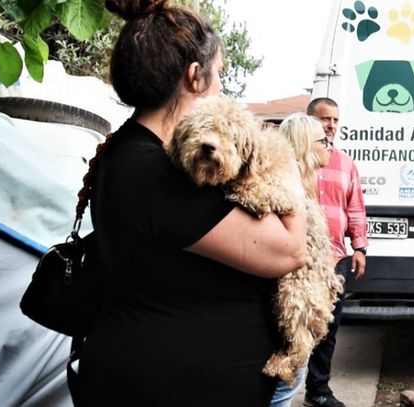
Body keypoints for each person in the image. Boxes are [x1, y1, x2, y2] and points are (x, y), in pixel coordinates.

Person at [80, 1, 307, 405]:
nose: (219, 87)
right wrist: (286, 165)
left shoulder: (133, 153)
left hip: (147, 374)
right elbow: (288, 249)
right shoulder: (162, 176)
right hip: (170, 387)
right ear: (194, 77)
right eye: (217, 74)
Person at [303, 97, 368, 407]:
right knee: (293, 326)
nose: (330, 125)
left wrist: (359, 247)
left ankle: (318, 391)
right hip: (297, 258)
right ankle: (278, 387)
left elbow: (355, 208)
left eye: (335, 120)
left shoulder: (345, 162)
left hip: (335, 259)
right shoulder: (292, 158)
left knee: (328, 330)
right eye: (324, 119)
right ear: (309, 120)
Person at [270, 112, 333, 407]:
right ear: (306, 145)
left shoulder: (302, 186)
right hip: (284, 315)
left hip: (297, 315)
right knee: (281, 391)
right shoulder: (287, 190)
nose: (329, 144)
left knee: (287, 386)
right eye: (323, 140)